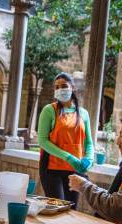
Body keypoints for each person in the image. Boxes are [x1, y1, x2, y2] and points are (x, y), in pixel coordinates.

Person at [38, 72, 94, 209]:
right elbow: (43, 141)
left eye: (63, 86)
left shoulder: (83, 113)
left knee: (71, 209)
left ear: (72, 87)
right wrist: (68, 157)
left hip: (75, 169)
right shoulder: (49, 110)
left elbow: (89, 143)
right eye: (56, 87)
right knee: (57, 208)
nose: (59, 90)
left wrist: (90, 160)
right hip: (51, 168)